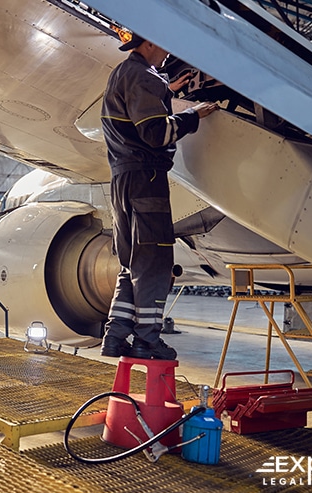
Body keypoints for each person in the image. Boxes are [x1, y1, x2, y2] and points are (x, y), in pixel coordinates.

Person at [99, 33, 218, 359]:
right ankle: (148, 340)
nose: (168, 53)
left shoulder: (121, 74)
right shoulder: (144, 77)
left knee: (131, 265)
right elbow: (156, 133)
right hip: (147, 180)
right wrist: (194, 115)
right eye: (164, 45)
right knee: (154, 264)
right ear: (149, 42)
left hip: (122, 181)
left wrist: (167, 92)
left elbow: (133, 115)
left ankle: (115, 337)